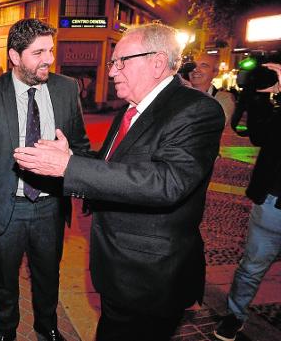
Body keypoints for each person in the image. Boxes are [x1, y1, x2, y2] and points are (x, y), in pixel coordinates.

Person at [14, 23, 225, 341]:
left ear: (157, 61)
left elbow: (167, 182)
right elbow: (111, 167)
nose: (112, 71)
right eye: (113, 63)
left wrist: (70, 167)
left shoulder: (197, 109)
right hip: (117, 271)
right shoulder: (130, 111)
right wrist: (72, 160)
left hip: (150, 278)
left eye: (120, 61)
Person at [0, 19, 90, 341]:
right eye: (38, 52)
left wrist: (70, 156)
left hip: (50, 208)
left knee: (48, 275)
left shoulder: (66, 88)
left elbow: (82, 145)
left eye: (51, 50)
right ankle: (6, 331)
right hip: (5, 206)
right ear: (15, 56)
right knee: (3, 277)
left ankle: (48, 326)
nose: (48, 59)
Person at [213, 63, 281, 341]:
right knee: (252, 265)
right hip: (271, 203)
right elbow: (259, 135)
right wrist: (259, 96)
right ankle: (235, 314)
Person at [188, 52, 236, 127]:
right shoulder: (179, 94)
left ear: (215, 73)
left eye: (204, 65)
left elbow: (212, 126)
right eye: (193, 65)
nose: (195, 69)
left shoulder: (224, 98)